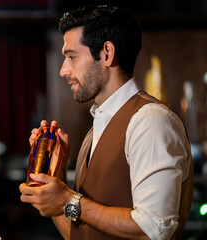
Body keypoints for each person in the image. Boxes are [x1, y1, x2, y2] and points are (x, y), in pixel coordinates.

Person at [19, 5, 193, 240]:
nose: (63, 70)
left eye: (71, 57)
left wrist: (69, 199)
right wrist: (56, 181)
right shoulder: (96, 129)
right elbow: (80, 234)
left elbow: (153, 229)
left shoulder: (151, 120)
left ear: (107, 53)